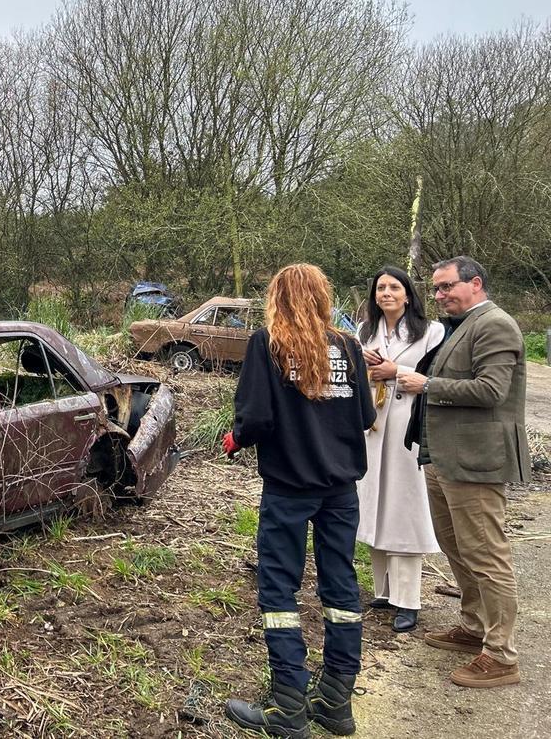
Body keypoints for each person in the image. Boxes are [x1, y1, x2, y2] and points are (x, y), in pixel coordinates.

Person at [223, 264, 375, 738]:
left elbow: (257, 419)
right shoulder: (349, 347)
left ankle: (287, 708)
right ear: (322, 296)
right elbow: (366, 414)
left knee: (279, 591)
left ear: (278, 298)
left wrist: (236, 438)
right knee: (341, 590)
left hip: (289, 489)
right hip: (341, 491)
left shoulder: (268, 344)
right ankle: (335, 701)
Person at [396, 255, 528, 689]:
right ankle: (474, 628)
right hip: (442, 457)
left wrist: (426, 385)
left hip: (475, 460)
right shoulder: (461, 326)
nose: (439, 295)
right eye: (435, 288)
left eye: (447, 287)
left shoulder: (495, 324)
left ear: (475, 283)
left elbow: (492, 390)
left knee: (487, 554)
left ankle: (502, 654)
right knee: (459, 547)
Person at [357, 266, 444, 632]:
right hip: (375, 427)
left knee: (404, 507)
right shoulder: (364, 331)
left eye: (394, 287)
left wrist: (394, 370)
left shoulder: (431, 332)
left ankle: (409, 600)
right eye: (380, 288)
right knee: (376, 504)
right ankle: (384, 591)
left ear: (408, 294)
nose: (386, 293)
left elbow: (435, 375)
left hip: (408, 426)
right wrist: (367, 368)